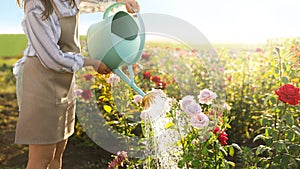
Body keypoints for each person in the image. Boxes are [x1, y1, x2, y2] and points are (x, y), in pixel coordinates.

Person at [13, 0, 140, 169]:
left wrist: (119, 2)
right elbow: (51, 58)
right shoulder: (36, 6)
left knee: (58, 152)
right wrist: (92, 62)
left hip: (64, 79)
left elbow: (92, 3)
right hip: (41, 81)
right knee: (42, 158)